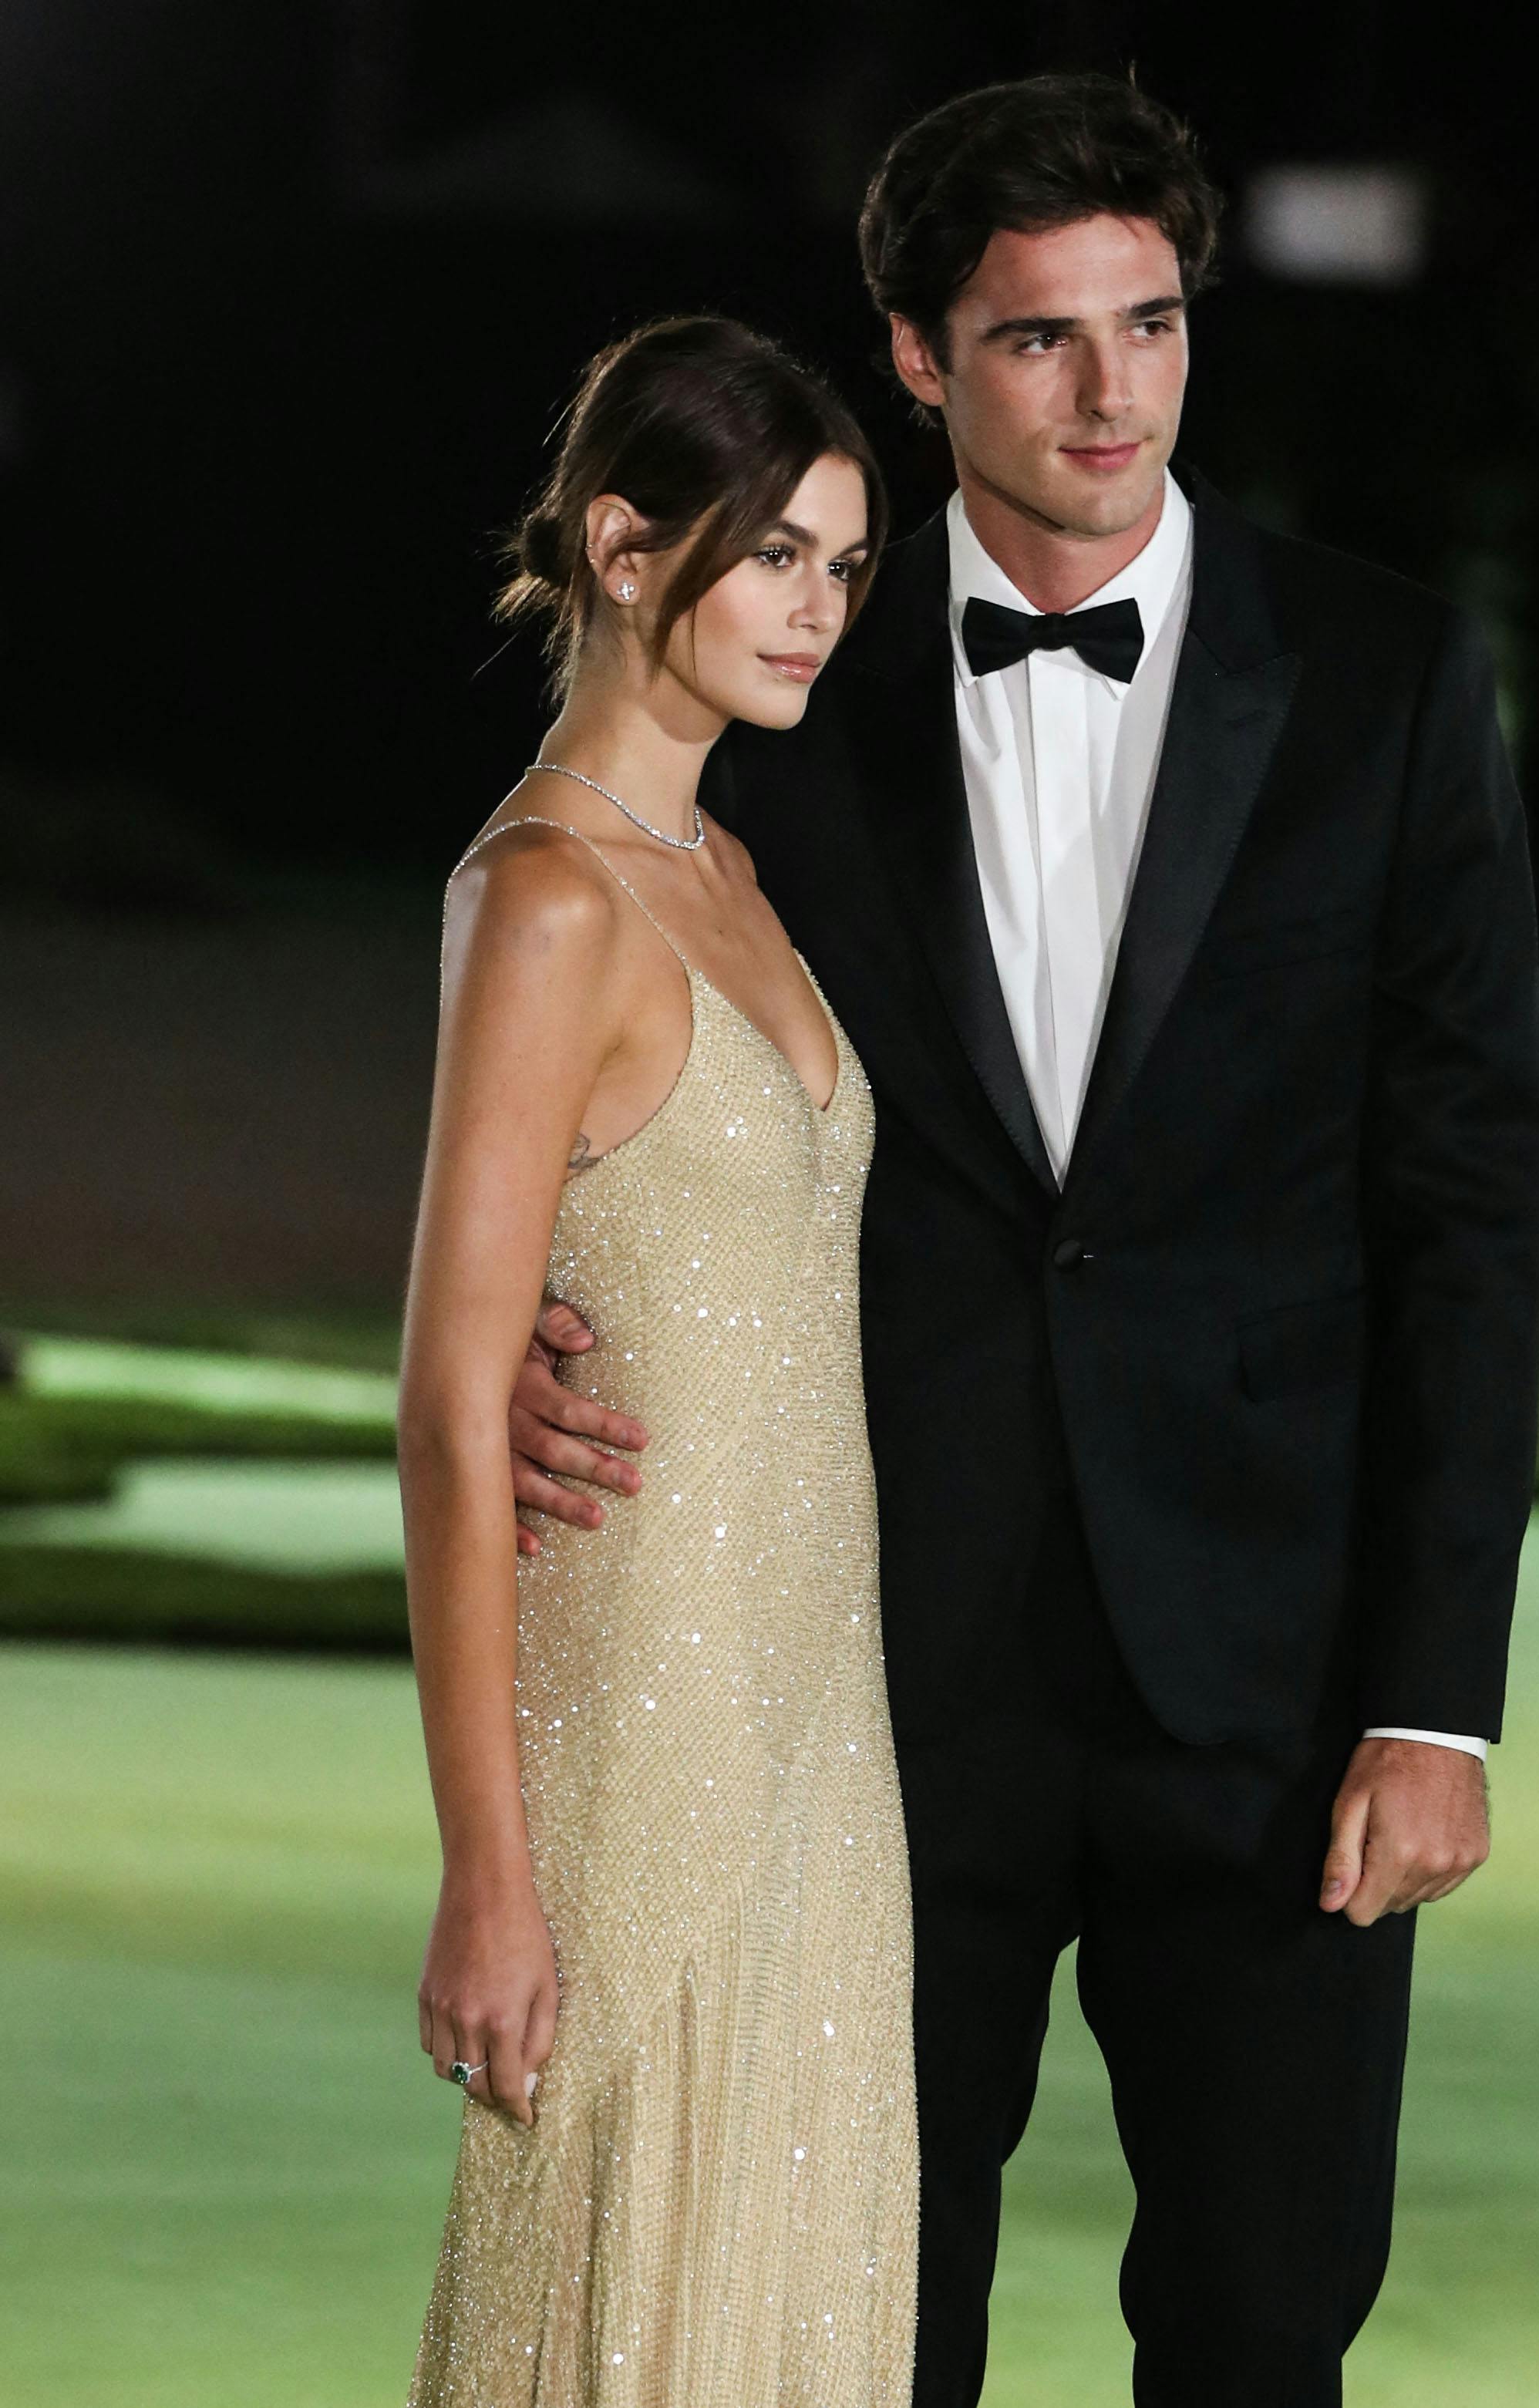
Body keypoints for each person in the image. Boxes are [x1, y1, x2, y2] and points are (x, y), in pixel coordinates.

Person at [509, 72, 1539, 2408]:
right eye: (1038, 341)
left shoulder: (1389, 679)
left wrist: (1435, 1694)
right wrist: (509, 1330)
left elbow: (1472, 1205)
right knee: (875, 2327)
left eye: (1154, 324)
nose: (1113, 392)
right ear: (909, 355)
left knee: (1262, 2333)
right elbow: (559, 965)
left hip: (1282, 1694)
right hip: (874, 1671)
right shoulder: (777, 686)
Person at [400, 314, 916, 2407]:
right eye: (778, 552)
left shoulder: (738, 876)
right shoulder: (543, 896)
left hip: (821, 1720)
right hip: (635, 1729)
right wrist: (487, 1874)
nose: (820, 607)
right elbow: (450, 1402)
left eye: (848, 566)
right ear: (626, 546)